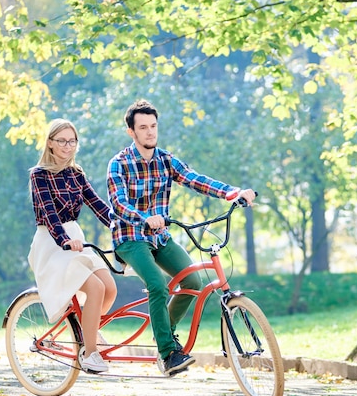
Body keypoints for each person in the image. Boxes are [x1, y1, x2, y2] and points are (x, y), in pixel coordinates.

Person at [106, 99, 256, 376]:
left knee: (193, 281)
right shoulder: (119, 163)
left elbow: (193, 178)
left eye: (153, 126)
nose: (150, 132)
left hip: (160, 237)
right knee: (158, 285)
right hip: (130, 236)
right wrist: (144, 217)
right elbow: (118, 204)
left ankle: (164, 333)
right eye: (143, 127)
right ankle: (168, 354)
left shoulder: (165, 159)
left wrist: (231, 192)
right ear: (131, 132)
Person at [28, 118, 117, 373]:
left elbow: (99, 206)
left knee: (109, 288)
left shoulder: (77, 175)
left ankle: (87, 329)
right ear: (50, 143)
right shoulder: (39, 175)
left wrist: (122, 225)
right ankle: (89, 353)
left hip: (75, 237)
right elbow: (49, 214)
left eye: (72, 141)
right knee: (96, 288)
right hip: (52, 241)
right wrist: (64, 240)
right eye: (62, 141)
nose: (68, 146)